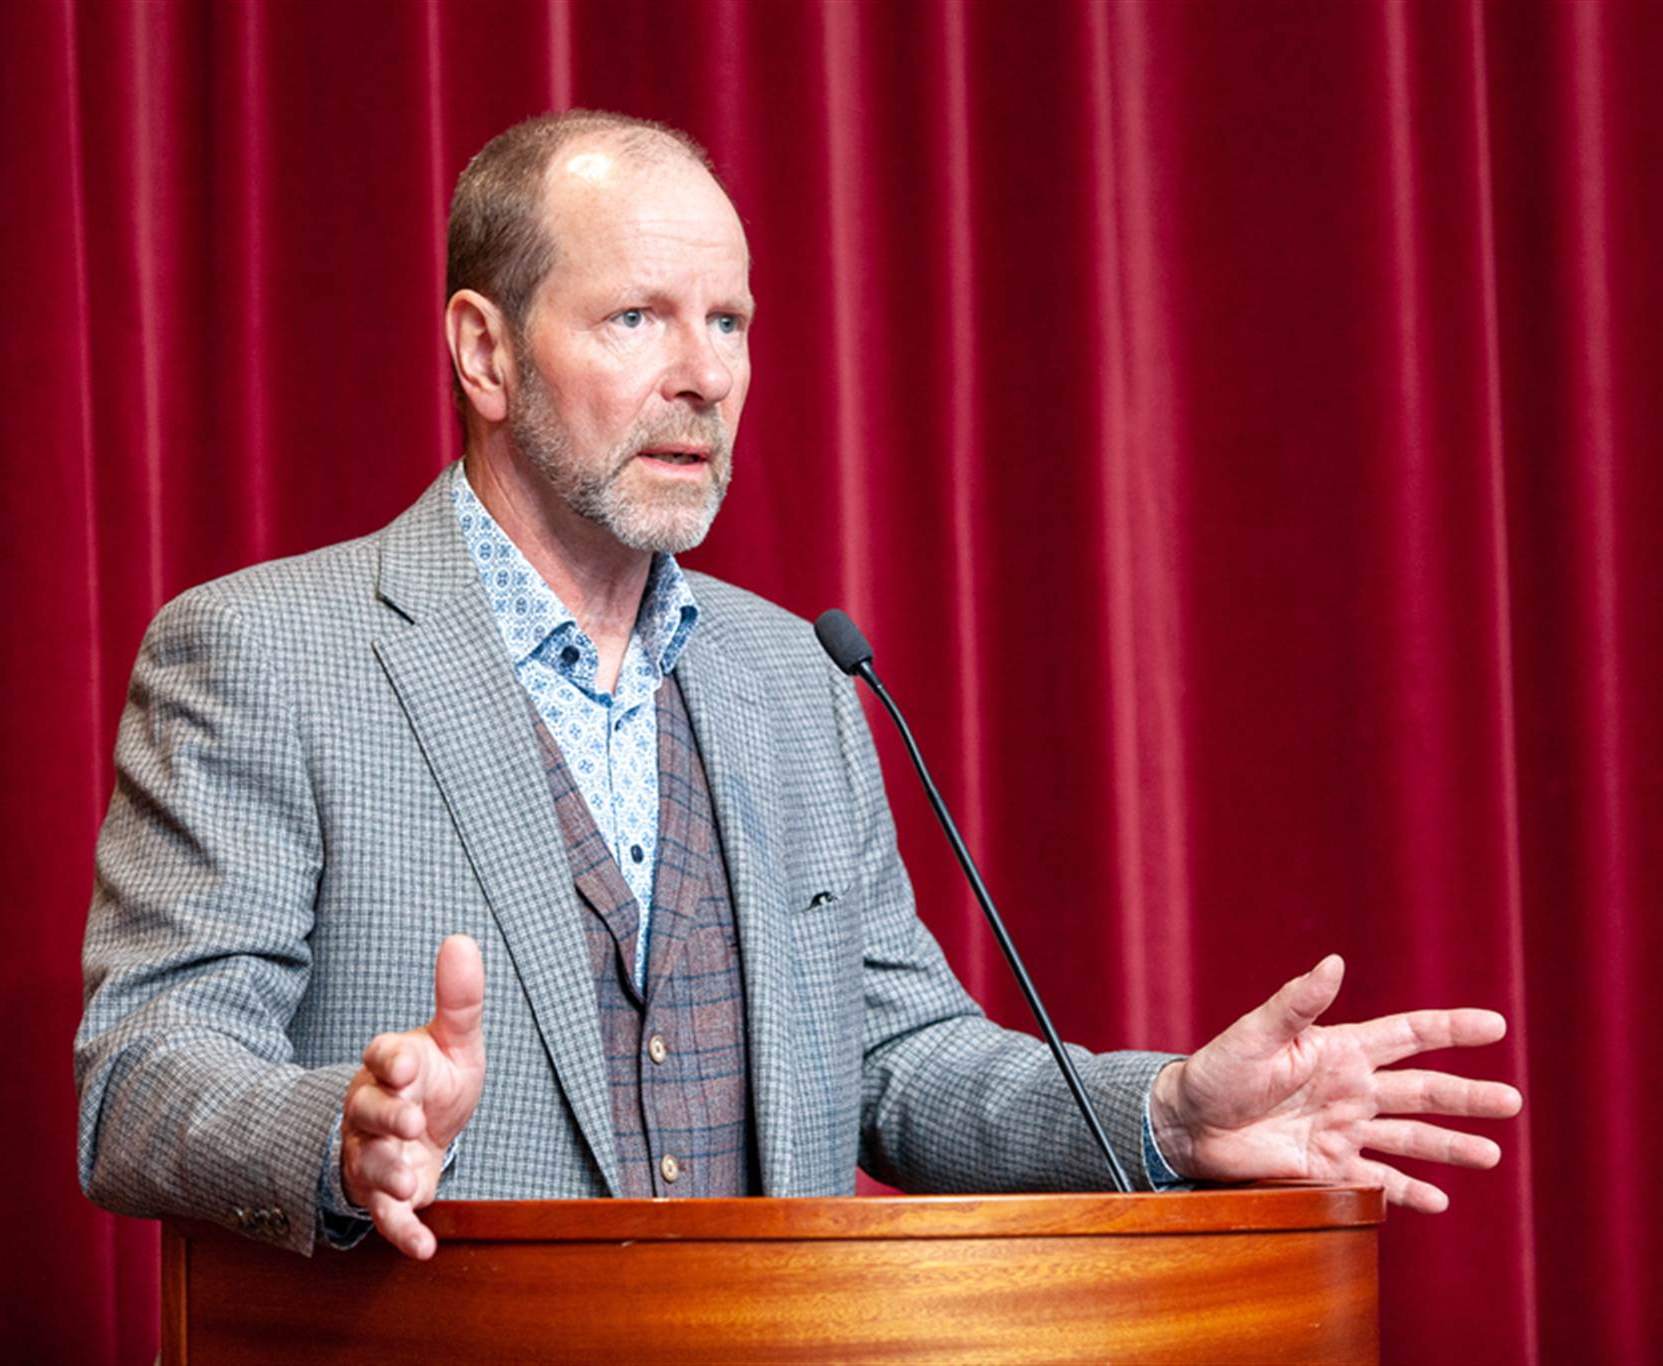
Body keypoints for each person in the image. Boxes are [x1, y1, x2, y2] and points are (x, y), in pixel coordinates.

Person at [74, 110, 1521, 1262]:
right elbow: (141, 1074)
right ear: (484, 352)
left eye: (731, 321)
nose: (705, 377)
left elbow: (901, 1060)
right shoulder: (264, 654)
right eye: (638, 318)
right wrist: (340, 1137)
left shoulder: (795, 681)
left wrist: (1164, 1114)